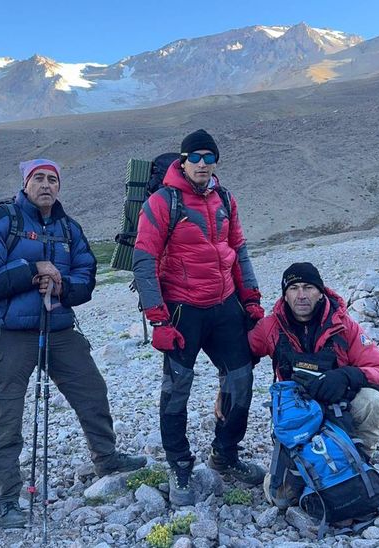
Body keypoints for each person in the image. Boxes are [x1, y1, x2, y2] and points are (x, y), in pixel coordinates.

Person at [0, 158, 146, 529]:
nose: (46, 185)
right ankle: (4, 497)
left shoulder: (69, 228)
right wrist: (32, 271)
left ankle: (106, 455)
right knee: (8, 415)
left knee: (92, 390)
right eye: (38, 178)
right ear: (25, 183)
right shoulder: (1, 222)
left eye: (52, 179)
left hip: (59, 327)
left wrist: (62, 285)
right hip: (9, 333)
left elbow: (86, 277)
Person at [132, 129, 265, 506]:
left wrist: (251, 299)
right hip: (181, 309)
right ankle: (179, 464)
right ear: (184, 160)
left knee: (240, 377)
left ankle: (225, 453)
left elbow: (238, 250)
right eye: (196, 157)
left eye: (210, 157)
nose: (203, 164)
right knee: (177, 389)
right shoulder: (162, 202)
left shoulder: (225, 198)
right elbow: (144, 262)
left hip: (223, 304)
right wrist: (158, 319)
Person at [247, 262, 379, 509]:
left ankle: (359, 459)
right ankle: (300, 464)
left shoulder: (345, 326)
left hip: (339, 409)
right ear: (285, 294)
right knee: (281, 498)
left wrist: (348, 375)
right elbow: (241, 354)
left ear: (320, 292)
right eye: (293, 288)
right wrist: (225, 385)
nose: (301, 295)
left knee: (372, 400)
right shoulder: (270, 328)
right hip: (296, 419)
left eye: (308, 287)